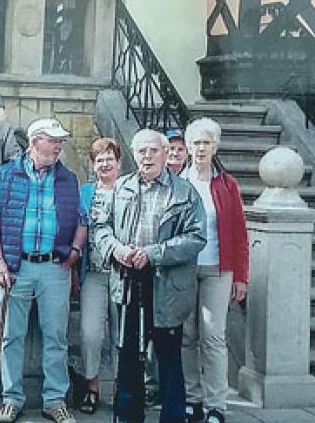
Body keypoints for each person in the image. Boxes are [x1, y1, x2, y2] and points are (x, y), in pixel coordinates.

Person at [91, 129, 205, 423]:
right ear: (134, 154)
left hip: (167, 282)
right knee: (128, 356)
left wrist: (153, 253)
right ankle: (128, 417)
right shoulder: (121, 187)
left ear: (167, 154)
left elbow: (195, 238)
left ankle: (172, 418)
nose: (147, 156)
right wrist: (115, 249)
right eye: (141, 151)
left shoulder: (184, 192)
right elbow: (101, 228)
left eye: (154, 150)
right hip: (128, 280)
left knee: (168, 358)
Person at [0, 118, 86, 423]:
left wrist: (76, 252)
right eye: (53, 140)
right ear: (34, 142)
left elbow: (82, 219)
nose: (58, 146)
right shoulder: (7, 174)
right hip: (16, 266)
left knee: (56, 335)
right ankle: (12, 398)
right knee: (11, 335)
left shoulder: (68, 179)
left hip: (55, 266)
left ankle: (54, 399)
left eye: (60, 141)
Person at [179, 118, 248, 423]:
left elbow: (240, 233)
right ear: (188, 147)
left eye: (206, 143)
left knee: (213, 335)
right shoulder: (177, 182)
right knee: (186, 334)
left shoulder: (227, 184)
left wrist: (242, 276)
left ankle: (216, 405)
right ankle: (192, 398)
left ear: (215, 147)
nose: (201, 148)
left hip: (219, 269)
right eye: (195, 143)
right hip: (183, 269)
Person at [77, 138, 122, 415]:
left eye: (109, 158)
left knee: (122, 335)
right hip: (92, 273)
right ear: (93, 166)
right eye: (99, 159)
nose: (104, 163)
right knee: (90, 333)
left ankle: (121, 389)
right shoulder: (85, 192)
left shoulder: (130, 189)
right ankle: (92, 386)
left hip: (123, 274)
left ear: (119, 162)